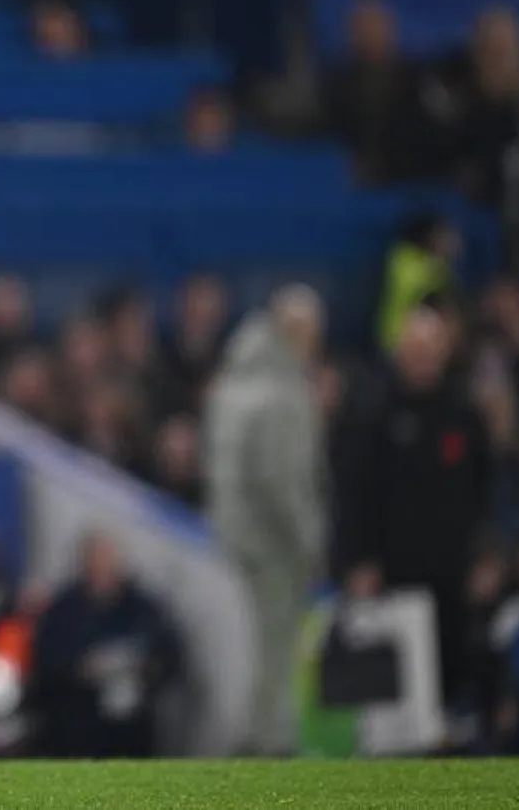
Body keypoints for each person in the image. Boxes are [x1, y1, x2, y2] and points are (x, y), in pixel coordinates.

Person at [203, 284, 327, 756]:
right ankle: (268, 742)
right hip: (272, 542)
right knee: (274, 649)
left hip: (233, 536)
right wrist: (310, 539)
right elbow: (283, 480)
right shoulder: (281, 389)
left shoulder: (233, 381)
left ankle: (255, 736)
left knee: (248, 646)